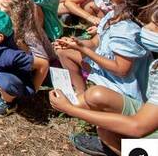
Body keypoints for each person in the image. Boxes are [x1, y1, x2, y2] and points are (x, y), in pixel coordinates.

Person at [49, 9, 158, 156]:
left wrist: (70, 109)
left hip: (136, 109)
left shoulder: (127, 30)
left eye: (154, 26)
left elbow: (137, 127)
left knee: (108, 129)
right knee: (105, 127)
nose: (146, 28)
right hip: (149, 111)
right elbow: (95, 41)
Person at [54, 0, 155, 102]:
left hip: (124, 87)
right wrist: (76, 44)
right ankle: (80, 93)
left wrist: (83, 50)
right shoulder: (113, 15)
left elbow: (121, 70)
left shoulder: (126, 30)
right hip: (107, 70)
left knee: (92, 97)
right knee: (63, 51)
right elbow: (95, 42)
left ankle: (106, 106)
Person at [0, 0, 56, 83]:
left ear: (16, 11)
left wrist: (34, 87)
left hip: (47, 69)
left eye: (3, 5)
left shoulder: (28, 33)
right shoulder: (5, 21)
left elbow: (43, 59)